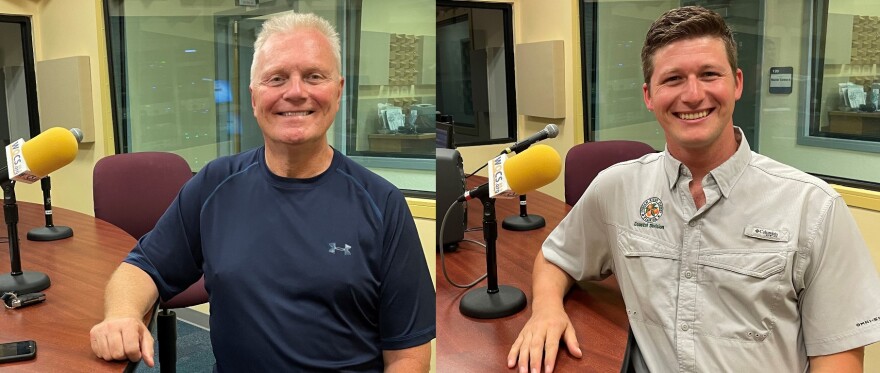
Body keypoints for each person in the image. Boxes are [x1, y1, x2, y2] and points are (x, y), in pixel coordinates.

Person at [508, 6, 880, 373]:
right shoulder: (616, 188)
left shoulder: (813, 208)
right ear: (649, 95)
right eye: (672, 79)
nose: (693, 94)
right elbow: (557, 257)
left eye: (708, 74)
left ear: (736, 83)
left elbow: (839, 356)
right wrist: (546, 310)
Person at [90, 12, 435, 372]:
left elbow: (409, 355)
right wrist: (122, 316)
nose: (296, 92)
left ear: (338, 90)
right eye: (277, 78)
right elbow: (142, 267)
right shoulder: (214, 185)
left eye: (314, 76)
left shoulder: (382, 204)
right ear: (254, 97)